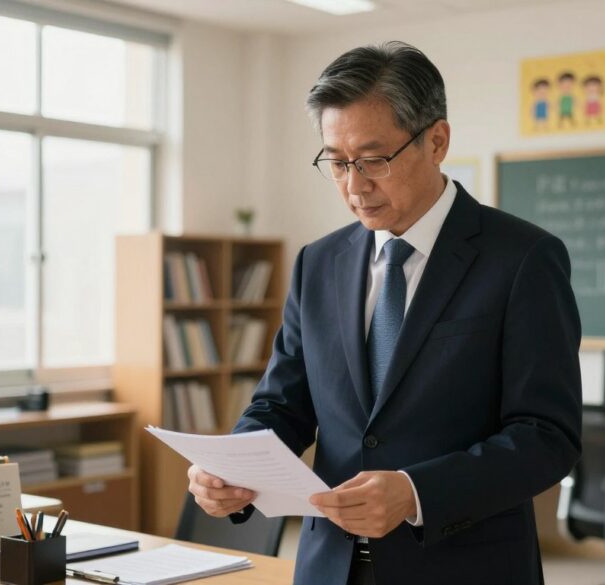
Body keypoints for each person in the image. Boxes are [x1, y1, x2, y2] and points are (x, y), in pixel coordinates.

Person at [186, 41, 583, 585]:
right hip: (328, 566)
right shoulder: (317, 263)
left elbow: (546, 436)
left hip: (466, 567)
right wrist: (232, 469)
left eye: (374, 160)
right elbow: (282, 404)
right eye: (337, 162)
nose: (355, 186)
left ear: (437, 141)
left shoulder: (522, 259)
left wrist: (418, 493)